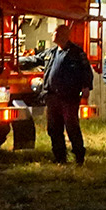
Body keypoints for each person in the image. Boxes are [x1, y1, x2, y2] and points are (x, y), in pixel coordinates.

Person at [42, 23, 93, 165]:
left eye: (55, 33)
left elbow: (86, 71)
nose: (52, 35)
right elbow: (36, 59)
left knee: (71, 127)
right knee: (54, 128)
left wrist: (86, 86)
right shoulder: (52, 53)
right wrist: (16, 60)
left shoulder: (76, 53)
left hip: (68, 97)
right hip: (52, 97)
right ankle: (60, 158)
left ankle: (79, 157)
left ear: (62, 35)